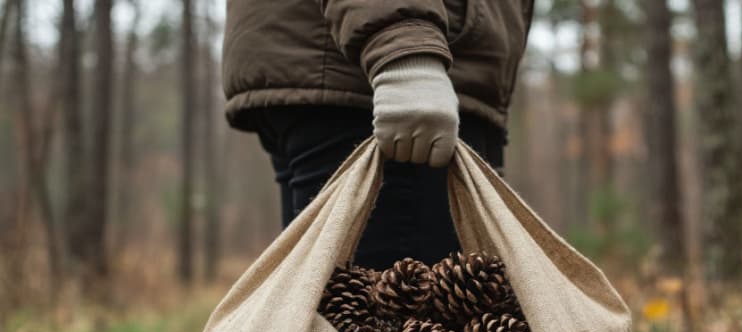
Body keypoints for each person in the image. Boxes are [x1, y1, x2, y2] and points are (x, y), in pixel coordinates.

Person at [222, 1, 535, 269]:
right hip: (381, 80)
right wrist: (403, 47)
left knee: (332, 321)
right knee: (393, 327)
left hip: (338, 65)